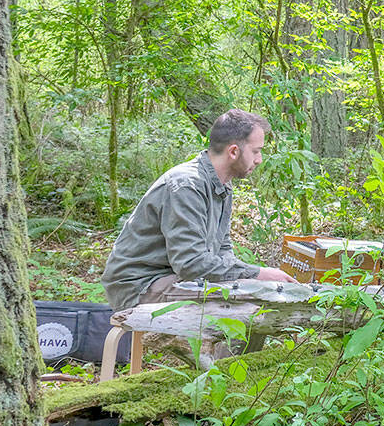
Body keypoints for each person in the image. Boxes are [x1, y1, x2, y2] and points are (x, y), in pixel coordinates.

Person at [102, 109, 294, 312]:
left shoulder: (222, 185)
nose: (259, 159)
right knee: (245, 305)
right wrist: (257, 274)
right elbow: (191, 264)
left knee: (262, 293)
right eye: (256, 151)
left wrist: (253, 278)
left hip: (174, 277)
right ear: (233, 151)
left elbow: (222, 250)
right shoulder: (186, 185)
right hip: (139, 286)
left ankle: (237, 344)